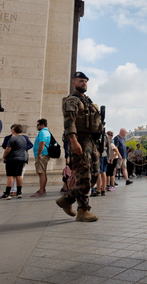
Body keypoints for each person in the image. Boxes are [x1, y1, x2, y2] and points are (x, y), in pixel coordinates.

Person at [55, 72, 103, 222]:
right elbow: (69, 122)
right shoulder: (72, 100)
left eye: (86, 82)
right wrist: (74, 142)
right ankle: (83, 210)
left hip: (92, 142)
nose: (84, 84)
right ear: (73, 83)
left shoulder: (88, 101)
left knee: (94, 176)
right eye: (81, 81)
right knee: (84, 176)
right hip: (80, 140)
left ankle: (67, 199)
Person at [1, 124, 30, 199]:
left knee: (10, 176)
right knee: (19, 175)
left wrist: (4, 156)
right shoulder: (24, 138)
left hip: (12, 159)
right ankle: (19, 192)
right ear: (22, 131)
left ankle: (7, 193)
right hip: (21, 159)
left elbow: (7, 149)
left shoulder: (13, 139)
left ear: (14, 130)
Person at [31, 118, 52, 197]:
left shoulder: (43, 132)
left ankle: (42, 190)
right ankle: (42, 189)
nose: (37, 127)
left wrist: (39, 154)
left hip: (42, 155)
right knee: (42, 172)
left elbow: (42, 143)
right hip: (43, 154)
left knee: (41, 172)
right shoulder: (45, 131)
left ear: (42, 125)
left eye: (38, 125)